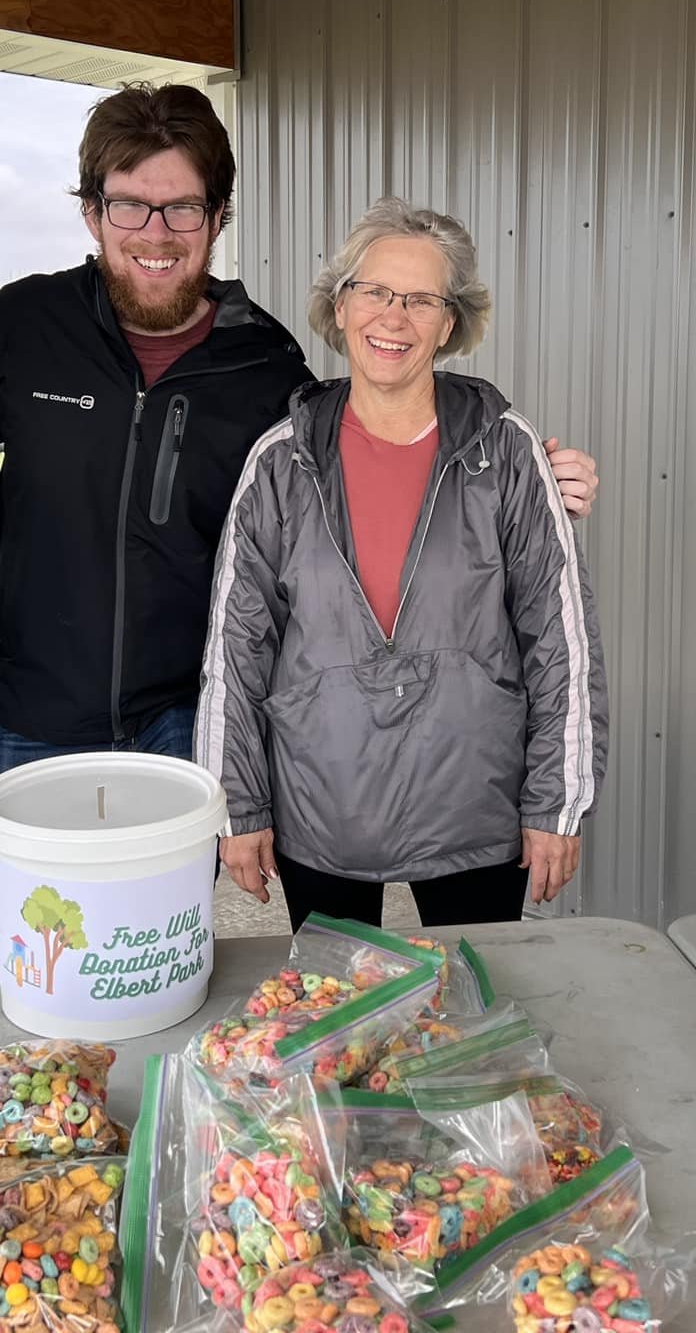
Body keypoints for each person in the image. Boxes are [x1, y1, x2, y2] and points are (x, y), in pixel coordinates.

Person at [0, 85, 601, 941]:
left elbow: (546, 627)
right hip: (46, 714)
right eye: (130, 206)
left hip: (198, 712)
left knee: (164, 956)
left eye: (181, 207)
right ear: (91, 211)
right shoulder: (27, 326)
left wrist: (544, 479)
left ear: (217, 217)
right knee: (51, 961)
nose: (155, 231)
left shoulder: (265, 366)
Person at [197, 197, 609, 929]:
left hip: (473, 805)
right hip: (322, 804)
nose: (394, 317)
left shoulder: (506, 451)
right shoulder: (280, 461)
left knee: (475, 1018)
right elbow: (236, 651)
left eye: (422, 299)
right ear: (340, 303)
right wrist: (240, 803)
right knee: (334, 1020)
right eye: (375, 291)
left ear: (450, 323)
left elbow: (563, 642)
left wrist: (558, 800)